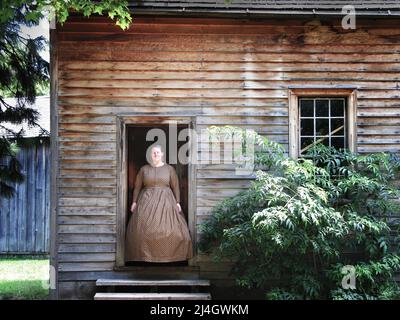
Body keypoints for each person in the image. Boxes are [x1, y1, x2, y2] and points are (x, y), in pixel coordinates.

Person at [125, 144, 193, 262]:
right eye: (153, 153)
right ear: (150, 155)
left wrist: (177, 202)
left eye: (157, 152)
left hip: (166, 200)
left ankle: (170, 256)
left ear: (162, 154)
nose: (155, 154)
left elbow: (175, 186)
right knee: (141, 230)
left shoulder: (169, 169)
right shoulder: (144, 169)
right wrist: (134, 202)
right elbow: (137, 187)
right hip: (146, 199)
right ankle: (145, 257)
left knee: (174, 230)